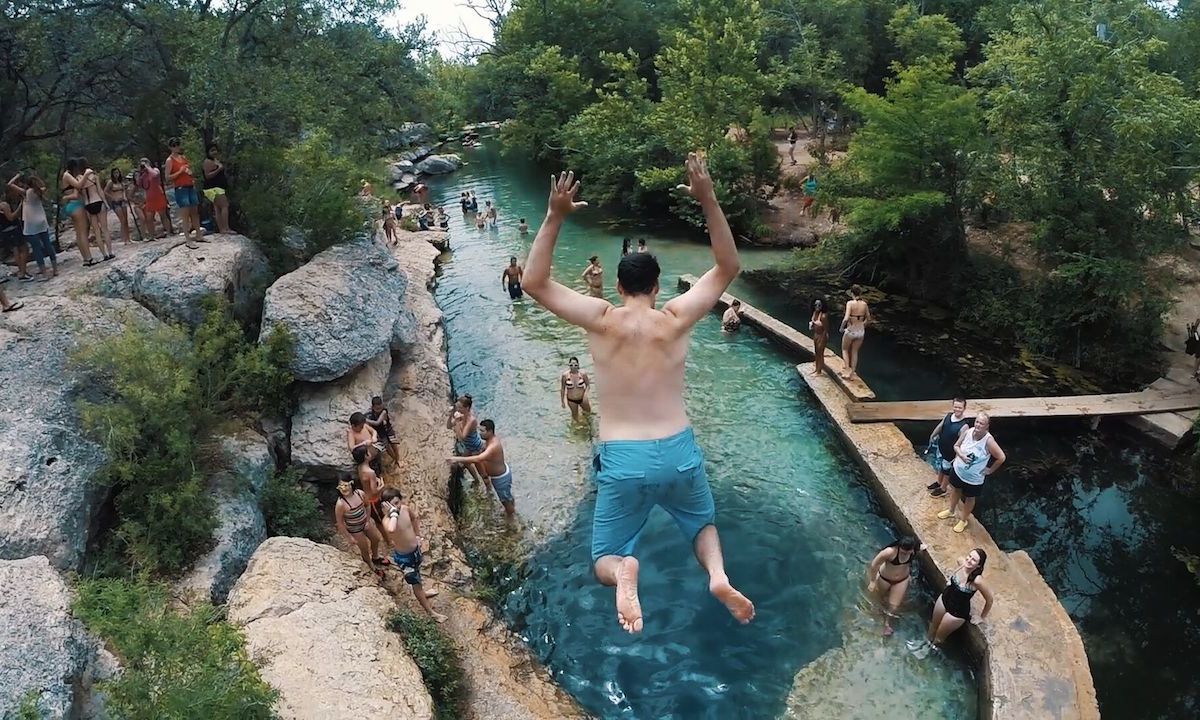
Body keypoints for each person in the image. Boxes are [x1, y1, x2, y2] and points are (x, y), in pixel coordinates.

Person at [523, 155, 755, 634]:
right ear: (654, 285)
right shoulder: (676, 318)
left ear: (620, 285)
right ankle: (717, 575)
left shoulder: (601, 317)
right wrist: (707, 197)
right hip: (678, 449)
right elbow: (728, 265)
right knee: (702, 524)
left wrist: (554, 215)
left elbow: (533, 283)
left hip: (624, 457)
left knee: (605, 555)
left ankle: (626, 573)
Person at [907, 549, 993, 659]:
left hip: (957, 612)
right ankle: (925, 642)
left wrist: (981, 617)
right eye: (969, 556)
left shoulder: (977, 581)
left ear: (979, 566)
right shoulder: (962, 562)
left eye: (974, 560)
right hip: (944, 598)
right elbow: (959, 560)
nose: (969, 560)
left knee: (939, 637)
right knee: (933, 626)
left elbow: (989, 599)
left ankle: (929, 651)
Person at [379, 487, 446, 622]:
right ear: (385, 506)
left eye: (397, 503)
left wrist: (418, 536)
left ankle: (423, 592)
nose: (396, 507)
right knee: (415, 584)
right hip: (405, 558)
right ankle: (431, 612)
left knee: (418, 576)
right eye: (391, 504)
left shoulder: (405, 509)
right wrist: (392, 513)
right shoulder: (387, 520)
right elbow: (391, 529)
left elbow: (414, 519)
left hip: (415, 551)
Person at [937, 412, 1005, 533]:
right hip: (958, 470)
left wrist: (990, 470)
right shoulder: (968, 432)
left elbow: (1001, 457)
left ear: (987, 426)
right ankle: (951, 511)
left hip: (974, 478)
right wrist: (961, 455)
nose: (978, 425)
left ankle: (963, 520)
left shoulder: (988, 441)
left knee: (969, 497)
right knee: (955, 489)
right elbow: (956, 446)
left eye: (982, 423)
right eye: (977, 422)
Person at [446, 419, 515, 517]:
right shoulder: (489, 441)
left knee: (505, 502)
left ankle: (512, 519)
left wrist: (456, 459)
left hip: (500, 478)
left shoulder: (493, 446)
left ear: (490, 431)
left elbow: (479, 459)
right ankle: (511, 508)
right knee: (507, 498)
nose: (480, 433)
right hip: (499, 476)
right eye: (479, 430)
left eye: (483, 431)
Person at [866, 536, 923, 636]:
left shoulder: (914, 550)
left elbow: (922, 547)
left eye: (907, 552)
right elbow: (874, 564)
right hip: (885, 578)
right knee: (879, 599)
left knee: (894, 606)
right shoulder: (889, 552)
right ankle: (876, 615)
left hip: (901, 580)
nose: (904, 554)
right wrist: (872, 581)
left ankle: (887, 624)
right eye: (902, 552)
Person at [334, 478, 388, 576]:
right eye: (340, 486)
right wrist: (349, 537)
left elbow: (367, 506)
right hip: (355, 529)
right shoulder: (341, 504)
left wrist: (367, 520)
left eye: (345, 485)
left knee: (376, 539)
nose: (343, 489)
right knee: (364, 549)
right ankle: (371, 566)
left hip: (365, 522)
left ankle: (375, 557)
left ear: (351, 484)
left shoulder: (360, 494)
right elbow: (340, 523)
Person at [9, 173, 56, 281]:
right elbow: (43, 186)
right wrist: (37, 179)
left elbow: (10, 184)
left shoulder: (26, 193)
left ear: (26, 184)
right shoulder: (39, 191)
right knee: (47, 244)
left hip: (31, 224)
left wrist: (17, 175)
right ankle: (55, 269)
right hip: (42, 221)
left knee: (36, 248)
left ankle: (44, 273)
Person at [926, 397, 969, 498]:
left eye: (960, 407)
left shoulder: (964, 426)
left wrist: (958, 455)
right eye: (955, 407)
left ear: (964, 408)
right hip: (941, 447)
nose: (957, 409)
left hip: (951, 452)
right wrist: (933, 435)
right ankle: (938, 482)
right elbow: (941, 426)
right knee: (941, 467)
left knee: (946, 470)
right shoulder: (948, 416)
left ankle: (943, 488)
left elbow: (963, 443)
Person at [167, 138, 203, 246]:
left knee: (194, 211)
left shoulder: (183, 158)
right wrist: (179, 171)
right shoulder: (169, 160)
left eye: (178, 144)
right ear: (170, 147)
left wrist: (190, 174)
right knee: (185, 213)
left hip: (190, 185)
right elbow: (167, 177)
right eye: (174, 145)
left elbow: (189, 171)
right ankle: (188, 239)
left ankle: (198, 235)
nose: (176, 147)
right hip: (180, 188)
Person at [61, 158, 97, 266]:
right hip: (76, 205)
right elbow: (78, 186)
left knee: (79, 232)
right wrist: (86, 175)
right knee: (83, 233)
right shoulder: (67, 175)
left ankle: (85, 258)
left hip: (72, 205)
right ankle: (89, 258)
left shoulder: (67, 176)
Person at [447, 395, 488, 486]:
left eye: (460, 407)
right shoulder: (462, 415)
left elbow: (462, 437)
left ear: (467, 408)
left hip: (476, 448)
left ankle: (489, 491)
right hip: (468, 447)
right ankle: (476, 480)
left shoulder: (471, 420)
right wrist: (450, 415)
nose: (458, 409)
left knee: (483, 473)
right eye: (457, 407)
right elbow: (449, 426)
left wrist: (457, 422)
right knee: (465, 463)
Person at [80, 163, 114, 260]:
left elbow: (81, 194)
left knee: (96, 231)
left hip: (88, 204)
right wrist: (106, 204)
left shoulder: (79, 179)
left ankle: (104, 255)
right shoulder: (94, 176)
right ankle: (110, 252)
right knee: (105, 229)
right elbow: (100, 191)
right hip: (98, 201)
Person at [353, 445, 387, 533]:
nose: (370, 453)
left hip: (367, 497)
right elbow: (374, 491)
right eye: (368, 452)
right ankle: (389, 541)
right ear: (366, 456)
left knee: (379, 519)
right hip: (373, 500)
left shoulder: (360, 467)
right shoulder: (370, 472)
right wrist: (382, 485)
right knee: (380, 521)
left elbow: (365, 481)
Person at [839, 285, 870, 381]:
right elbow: (868, 319)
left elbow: (846, 318)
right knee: (855, 351)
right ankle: (852, 372)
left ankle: (847, 370)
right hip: (860, 331)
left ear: (852, 293)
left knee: (844, 349)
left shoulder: (850, 303)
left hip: (851, 330)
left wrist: (841, 328)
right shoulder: (864, 304)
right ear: (860, 293)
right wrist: (862, 325)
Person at [137, 158, 172, 239]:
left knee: (163, 215)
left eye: (145, 162)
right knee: (149, 218)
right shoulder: (143, 175)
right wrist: (140, 172)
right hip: (149, 197)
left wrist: (148, 168)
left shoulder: (154, 170)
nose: (143, 164)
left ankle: (169, 232)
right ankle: (152, 236)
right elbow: (139, 184)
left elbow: (155, 175)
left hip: (158, 195)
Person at [0, 187, 29, 281]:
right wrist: (21, 206)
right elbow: (11, 217)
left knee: (16, 250)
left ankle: (21, 271)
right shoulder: (3, 205)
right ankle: (23, 272)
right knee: (23, 249)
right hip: (12, 229)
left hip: (5, 231)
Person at [202, 144, 232, 234]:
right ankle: (226, 228)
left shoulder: (215, 160)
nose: (214, 152)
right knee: (224, 206)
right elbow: (207, 176)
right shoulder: (207, 162)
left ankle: (222, 229)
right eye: (212, 150)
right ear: (208, 152)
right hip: (213, 188)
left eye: (215, 150)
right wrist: (219, 169)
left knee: (218, 208)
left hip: (218, 187)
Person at [365, 395, 400, 466]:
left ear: (382, 405)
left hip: (388, 430)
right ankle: (394, 458)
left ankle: (398, 458)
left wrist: (365, 420)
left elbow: (377, 423)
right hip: (380, 433)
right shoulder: (370, 414)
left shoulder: (384, 411)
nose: (379, 410)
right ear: (372, 407)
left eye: (380, 408)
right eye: (377, 409)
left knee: (394, 444)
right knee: (386, 447)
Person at [104, 169, 133, 245]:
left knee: (126, 220)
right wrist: (113, 198)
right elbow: (105, 192)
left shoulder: (121, 182)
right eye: (114, 173)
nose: (116, 174)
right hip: (115, 202)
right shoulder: (110, 182)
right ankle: (124, 239)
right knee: (122, 220)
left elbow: (123, 190)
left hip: (122, 201)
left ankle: (128, 238)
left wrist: (124, 197)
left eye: (117, 173)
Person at [560, 356, 592, 420]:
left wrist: (585, 394)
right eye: (571, 365)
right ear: (569, 365)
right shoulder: (565, 376)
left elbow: (588, 385)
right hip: (571, 400)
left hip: (582, 398)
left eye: (575, 364)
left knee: (588, 414)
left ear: (578, 365)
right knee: (575, 418)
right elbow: (563, 389)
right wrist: (562, 401)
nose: (573, 366)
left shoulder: (583, 374)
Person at [809, 298, 828, 375]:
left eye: (819, 305)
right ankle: (816, 369)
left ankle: (819, 372)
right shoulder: (814, 313)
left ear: (822, 306)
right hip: (816, 334)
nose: (817, 306)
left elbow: (826, 329)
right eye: (816, 305)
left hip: (822, 335)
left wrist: (822, 340)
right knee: (816, 352)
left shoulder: (823, 316)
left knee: (820, 353)